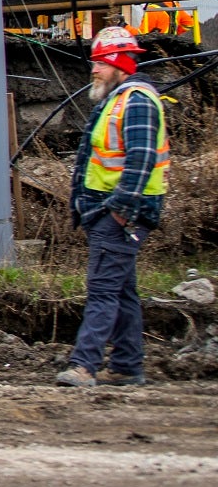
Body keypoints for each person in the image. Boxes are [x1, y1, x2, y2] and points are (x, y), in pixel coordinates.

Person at [57, 25, 170, 388]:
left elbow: (141, 160)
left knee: (103, 289)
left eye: (101, 63)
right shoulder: (120, 98)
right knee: (121, 291)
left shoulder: (135, 101)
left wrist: (120, 209)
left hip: (120, 212)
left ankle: (85, 365)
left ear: (121, 64)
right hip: (111, 210)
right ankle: (126, 365)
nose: (93, 70)